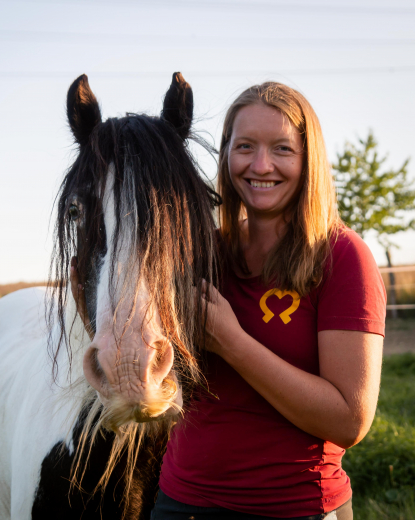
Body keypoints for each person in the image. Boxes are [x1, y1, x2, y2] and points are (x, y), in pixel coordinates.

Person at [152, 83, 386, 519]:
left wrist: (231, 342)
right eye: (245, 146)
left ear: (308, 159)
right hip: (181, 502)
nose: (261, 165)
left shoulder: (342, 257)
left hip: (294, 506)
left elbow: (349, 421)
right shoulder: (202, 251)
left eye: (282, 148)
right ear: (225, 155)